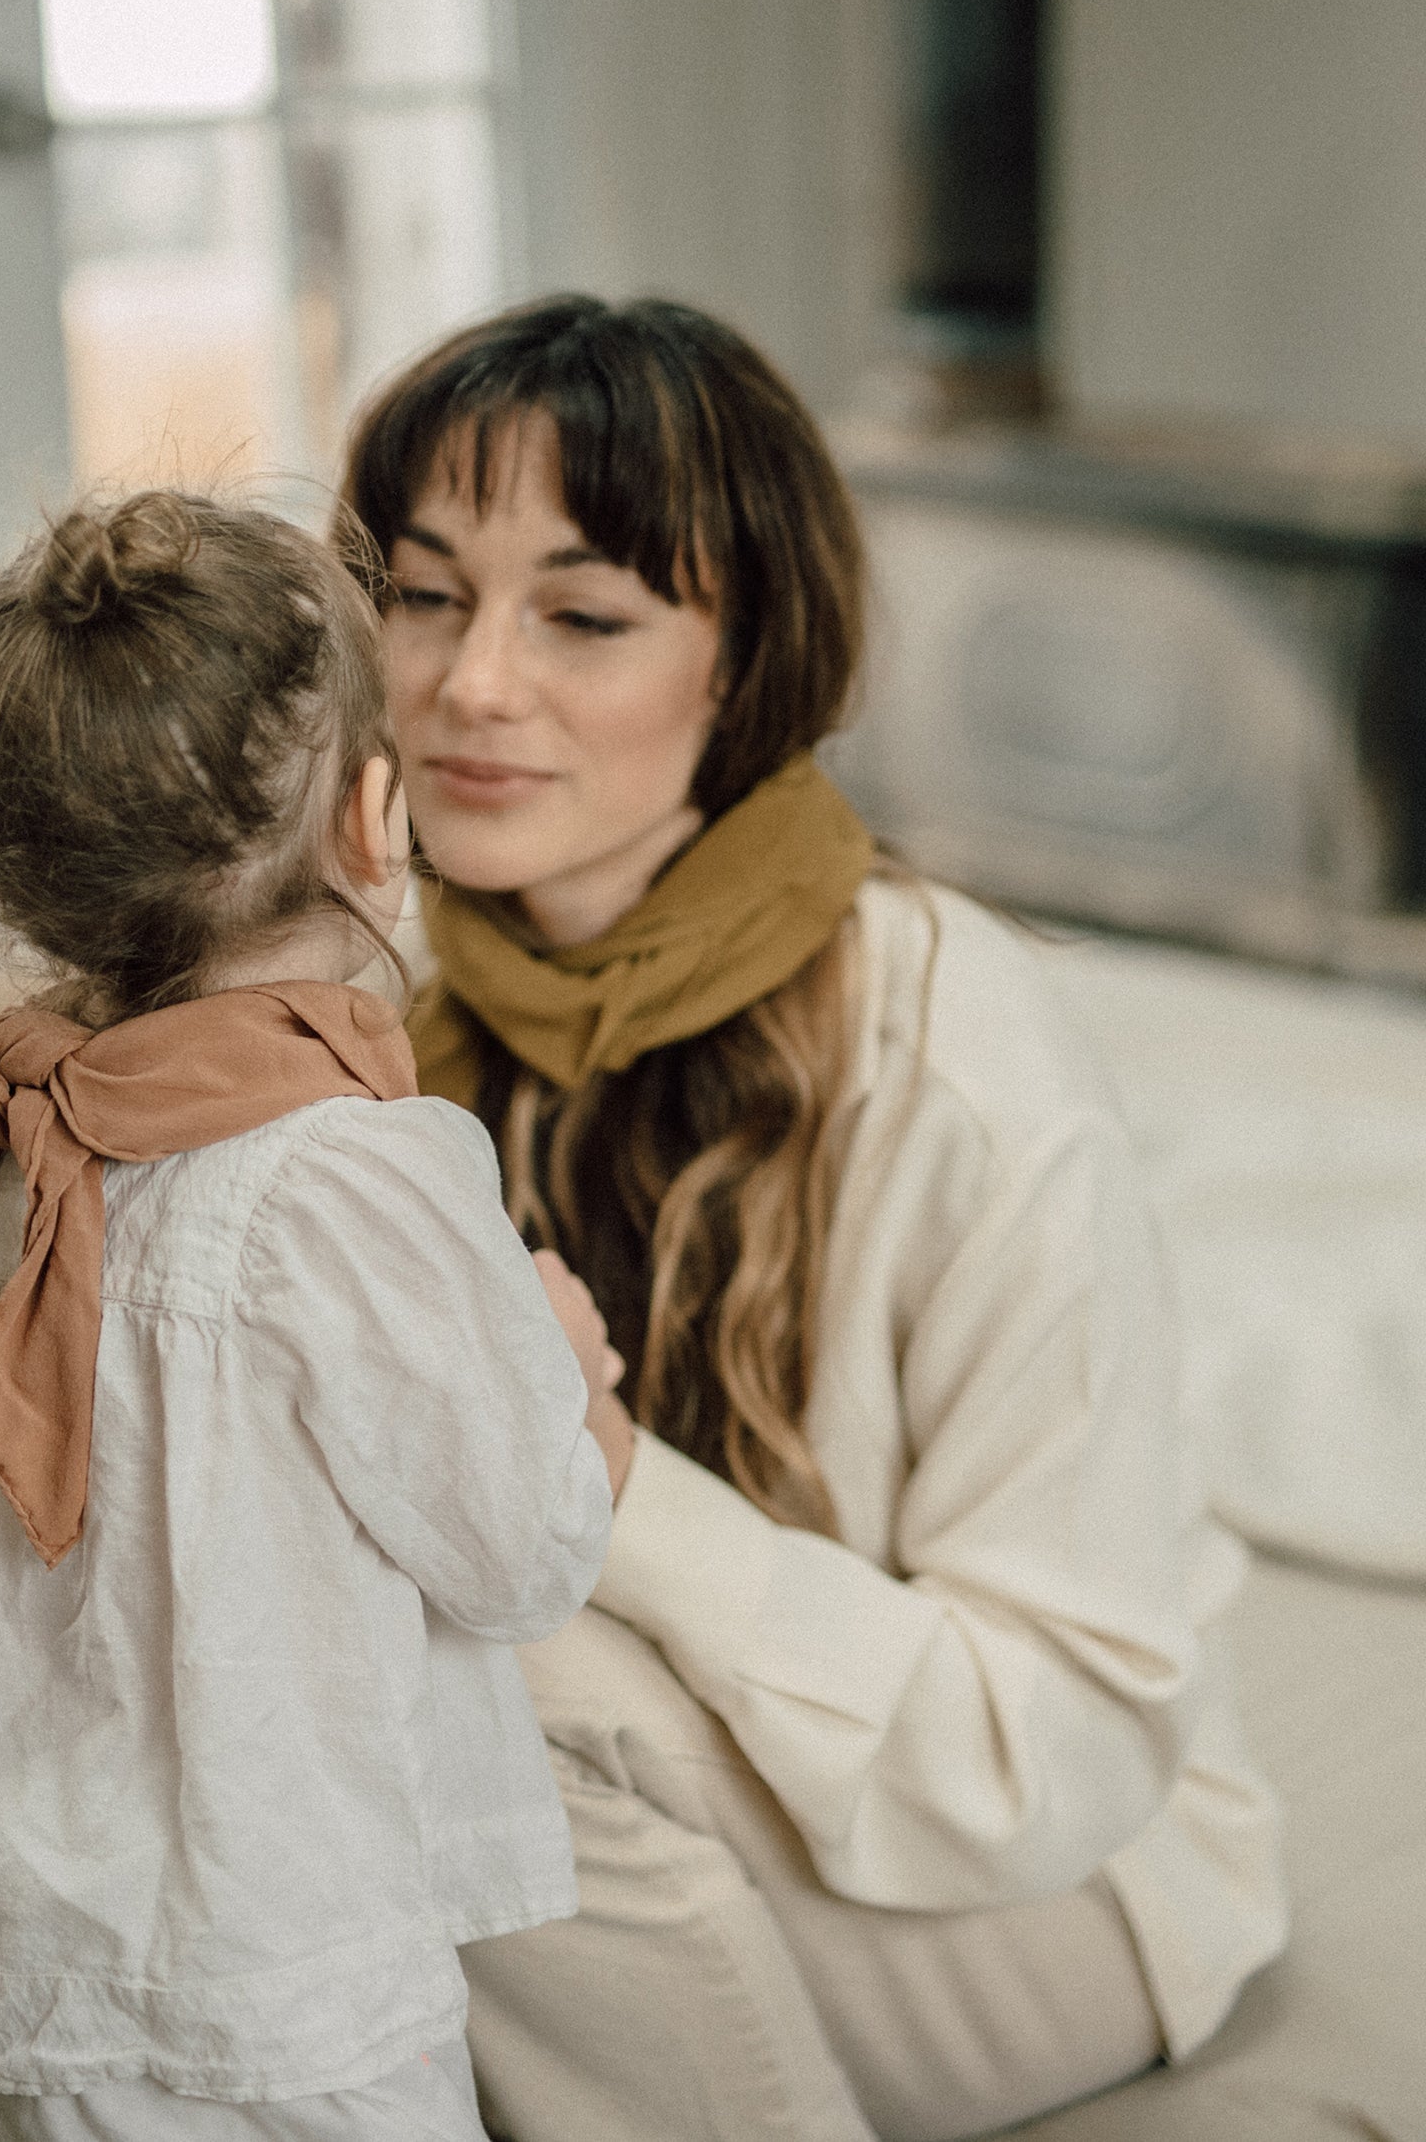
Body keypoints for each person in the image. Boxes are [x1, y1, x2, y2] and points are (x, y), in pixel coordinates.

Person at [336, 295, 1289, 2142]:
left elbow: (1066, 1737)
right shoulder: (394, 1001)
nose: (469, 684)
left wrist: (602, 1483)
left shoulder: (959, 1065)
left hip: (1049, 1865)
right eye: (425, 593)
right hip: (689, 1794)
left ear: (747, 657)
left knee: (491, 1670)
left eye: (586, 615)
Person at [0, 490, 631, 2142]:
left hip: (4, 1974)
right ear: (376, 827)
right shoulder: (350, 1182)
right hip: (269, 1992)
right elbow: (522, 1555)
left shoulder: (16, 1154)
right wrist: (576, 1389)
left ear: (11, 873)